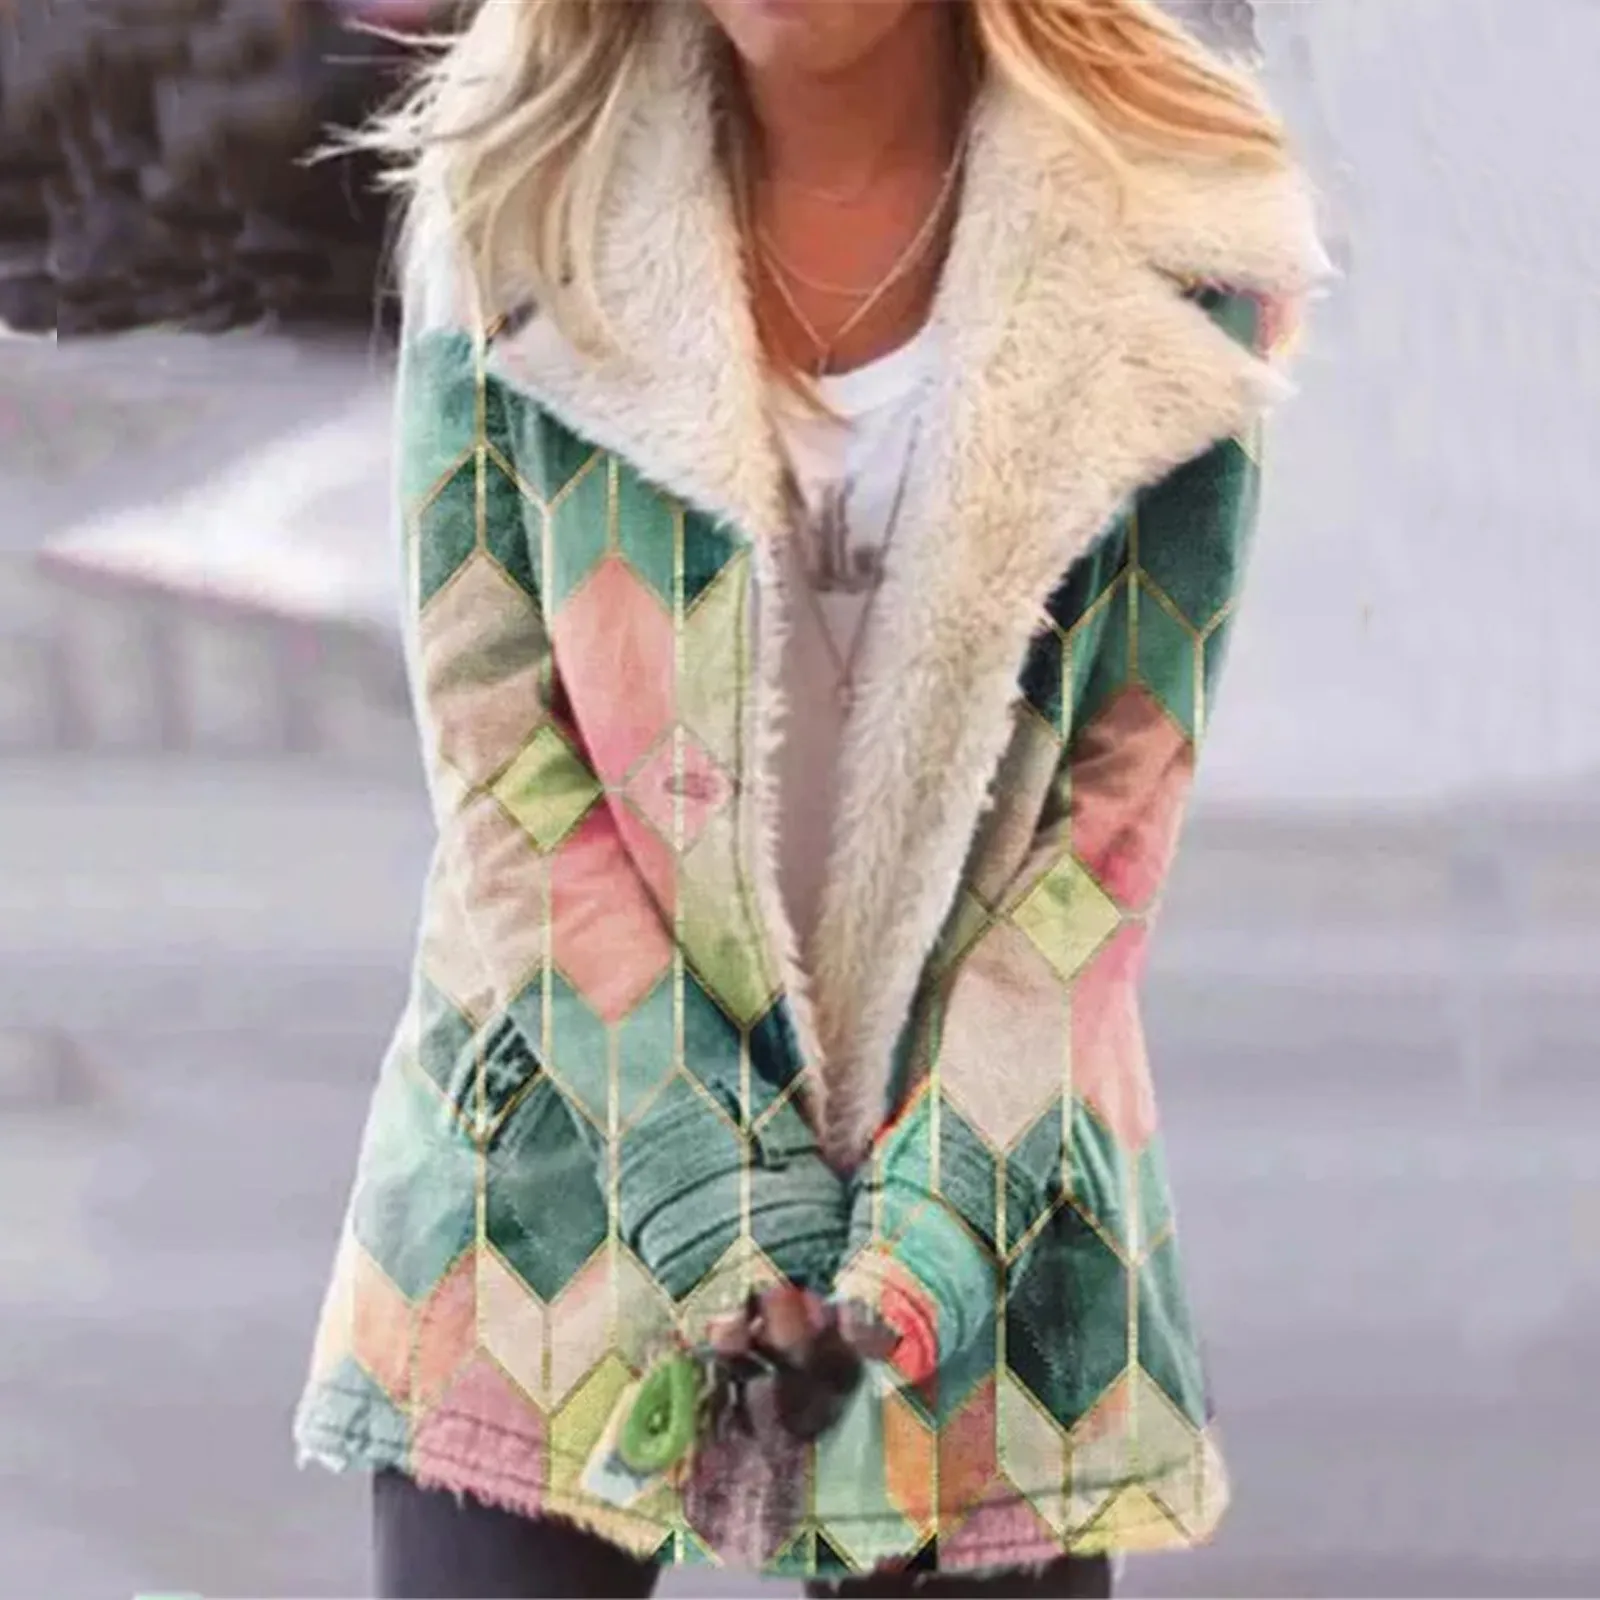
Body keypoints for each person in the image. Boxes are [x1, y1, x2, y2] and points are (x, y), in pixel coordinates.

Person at [294, 1, 1326, 1595]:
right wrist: (707, 1180)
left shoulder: (1177, 238)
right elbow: (502, 764)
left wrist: (926, 1244)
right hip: (555, 1156)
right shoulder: (516, 182)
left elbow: (1105, 834)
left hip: (991, 1176)